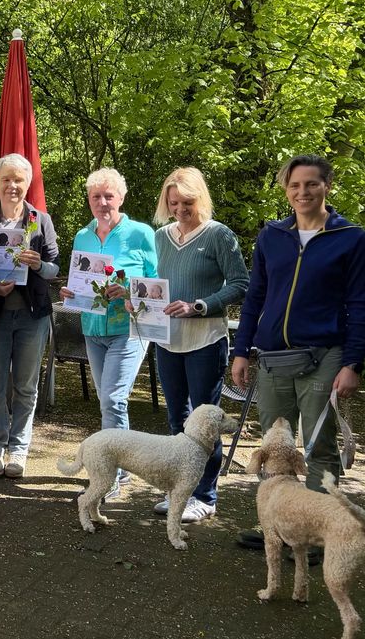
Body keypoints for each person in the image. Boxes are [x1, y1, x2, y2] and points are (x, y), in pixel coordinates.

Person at [232, 155, 364, 493]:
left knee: (319, 444)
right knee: (275, 447)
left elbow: (359, 303)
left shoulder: (351, 238)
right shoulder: (271, 236)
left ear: (326, 186)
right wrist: (242, 351)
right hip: (273, 358)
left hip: (325, 356)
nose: (302, 192)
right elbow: (255, 297)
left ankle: (322, 531)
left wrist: (353, 363)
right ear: (286, 190)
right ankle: (276, 527)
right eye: (295, 185)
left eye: (311, 184)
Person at [148, 167, 248, 522]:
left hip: (205, 340)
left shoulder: (219, 235)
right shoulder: (161, 237)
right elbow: (150, 283)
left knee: (205, 421)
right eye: (173, 203)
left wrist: (199, 306)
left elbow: (240, 284)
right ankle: (180, 490)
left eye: (187, 202)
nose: (180, 209)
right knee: (178, 418)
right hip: (167, 341)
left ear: (200, 199)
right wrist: (138, 301)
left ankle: (205, 495)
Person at [59, 167, 157, 499]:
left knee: (113, 400)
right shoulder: (82, 236)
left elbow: (158, 287)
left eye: (109, 196)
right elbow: (81, 281)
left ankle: (109, 476)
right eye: (95, 197)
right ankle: (123, 466)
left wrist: (129, 291)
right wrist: (70, 292)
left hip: (128, 329)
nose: (102, 203)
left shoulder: (142, 234)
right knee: (107, 401)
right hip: (92, 328)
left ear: (121, 197)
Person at [0, 154, 59, 478]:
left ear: (27, 184)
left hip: (32, 317)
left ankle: (19, 450)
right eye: (6, 180)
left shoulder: (41, 221)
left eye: (18, 180)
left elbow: (54, 269)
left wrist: (37, 264)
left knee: (26, 386)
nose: (12, 185)